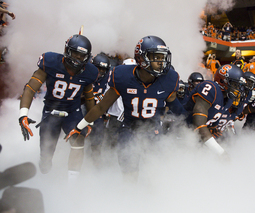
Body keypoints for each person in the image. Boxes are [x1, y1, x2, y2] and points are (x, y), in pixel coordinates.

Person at [65, 35, 184, 182]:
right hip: (129, 131)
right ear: (142, 59)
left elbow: (178, 109)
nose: (161, 62)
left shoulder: (169, 78)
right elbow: (102, 107)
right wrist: (79, 127)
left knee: (154, 176)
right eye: (156, 57)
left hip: (153, 132)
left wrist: (193, 125)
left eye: (163, 57)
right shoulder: (123, 76)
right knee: (130, 176)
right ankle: (130, 200)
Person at [18, 35, 98, 179]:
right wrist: (23, 114)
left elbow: (89, 97)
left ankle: (72, 186)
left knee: (78, 141)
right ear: (67, 51)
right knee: (46, 158)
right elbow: (30, 88)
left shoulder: (89, 72)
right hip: (51, 111)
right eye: (75, 53)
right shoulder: (50, 62)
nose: (77, 58)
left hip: (73, 112)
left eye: (82, 56)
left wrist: (90, 121)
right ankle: (44, 165)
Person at [183, 64, 245, 154]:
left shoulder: (228, 99)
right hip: (183, 132)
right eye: (235, 84)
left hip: (196, 137)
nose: (237, 89)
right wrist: (220, 152)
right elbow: (199, 124)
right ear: (222, 81)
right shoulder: (211, 88)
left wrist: (213, 128)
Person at [87, 52, 111, 164]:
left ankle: (95, 156)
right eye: (98, 68)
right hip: (83, 109)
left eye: (103, 70)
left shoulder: (108, 79)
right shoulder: (84, 74)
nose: (100, 72)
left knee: (99, 132)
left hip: (98, 111)